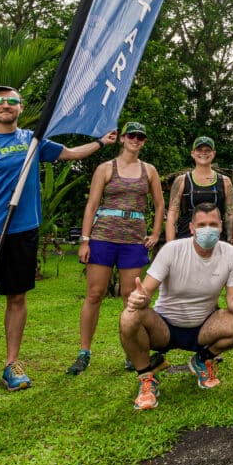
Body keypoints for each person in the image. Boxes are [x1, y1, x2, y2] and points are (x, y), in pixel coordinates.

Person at [0, 85, 117, 398]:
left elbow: (70, 153)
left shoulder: (33, 140)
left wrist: (100, 142)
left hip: (23, 231)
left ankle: (12, 364)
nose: (6, 105)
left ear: (21, 107)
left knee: (17, 297)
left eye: (12, 100)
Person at [120, 204, 233, 409]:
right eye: (202, 225)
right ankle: (146, 377)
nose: (208, 229)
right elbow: (146, 291)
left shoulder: (231, 254)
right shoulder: (172, 250)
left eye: (213, 224)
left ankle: (203, 359)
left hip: (203, 327)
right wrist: (139, 299)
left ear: (221, 227)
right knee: (129, 316)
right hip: (164, 327)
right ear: (192, 227)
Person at [67, 121, 165, 376]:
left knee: (130, 297)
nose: (135, 140)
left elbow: (159, 204)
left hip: (133, 240)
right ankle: (84, 352)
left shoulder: (149, 170)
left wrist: (156, 233)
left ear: (144, 142)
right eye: (131, 135)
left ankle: (132, 353)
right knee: (94, 293)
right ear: (122, 138)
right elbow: (92, 205)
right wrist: (85, 240)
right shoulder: (105, 168)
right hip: (103, 238)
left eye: (140, 137)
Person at [166, 136, 233, 243]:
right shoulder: (182, 180)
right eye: (199, 150)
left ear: (213, 153)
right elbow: (172, 213)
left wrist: (231, 240)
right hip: (187, 237)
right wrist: (170, 244)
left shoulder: (225, 181)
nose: (203, 153)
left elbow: (229, 213)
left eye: (208, 150)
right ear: (192, 153)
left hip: (216, 238)